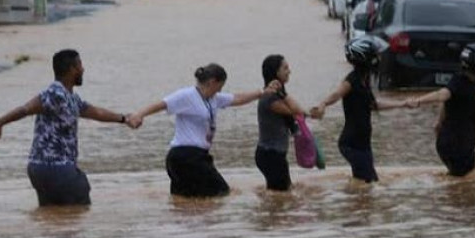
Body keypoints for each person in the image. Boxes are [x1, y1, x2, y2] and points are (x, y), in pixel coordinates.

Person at [0, 49, 137, 206]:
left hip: (40, 169)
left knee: (52, 219)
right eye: (79, 65)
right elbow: (26, 109)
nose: (83, 69)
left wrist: (124, 118)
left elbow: (96, 112)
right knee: (79, 211)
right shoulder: (54, 94)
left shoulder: (71, 98)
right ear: (71, 69)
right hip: (58, 168)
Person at [128, 63, 279, 198]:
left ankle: (191, 229)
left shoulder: (213, 98)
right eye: (220, 86)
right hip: (187, 157)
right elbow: (161, 104)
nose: (220, 90)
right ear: (212, 82)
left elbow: (237, 98)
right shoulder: (187, 95)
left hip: (192, 157)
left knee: (188, 202)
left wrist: (262, 92)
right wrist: (139, 115)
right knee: (222, 192)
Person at [310, 37, 406, 183]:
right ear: (365, 58)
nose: (379, 59)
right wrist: (323, 104)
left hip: (363, 143)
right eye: (376, 55)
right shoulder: (352, 80)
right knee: (368, 182)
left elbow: (374, 105)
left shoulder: (364, 80)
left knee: (367, 183)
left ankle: (356, 203)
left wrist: (402, 104)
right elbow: (336, 94)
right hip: (351, 144)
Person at [404, 43, 475, 177]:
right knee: (469, 183)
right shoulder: (460, 83)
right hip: (457, 144)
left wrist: (439, 122)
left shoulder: (460, 80)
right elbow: (442, 95)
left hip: (456, 143)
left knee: (461, 181)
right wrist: (418, 100)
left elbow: (447, 102)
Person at [256, 55, 309, 191]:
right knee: (280, 195)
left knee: (280, 196)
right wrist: (283, 94)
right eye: (285, 68)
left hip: (275, 155)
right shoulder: (270, 98)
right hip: (270, 155)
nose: (289, 71)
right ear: (276, 72)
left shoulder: (276, 95)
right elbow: (296, 111)